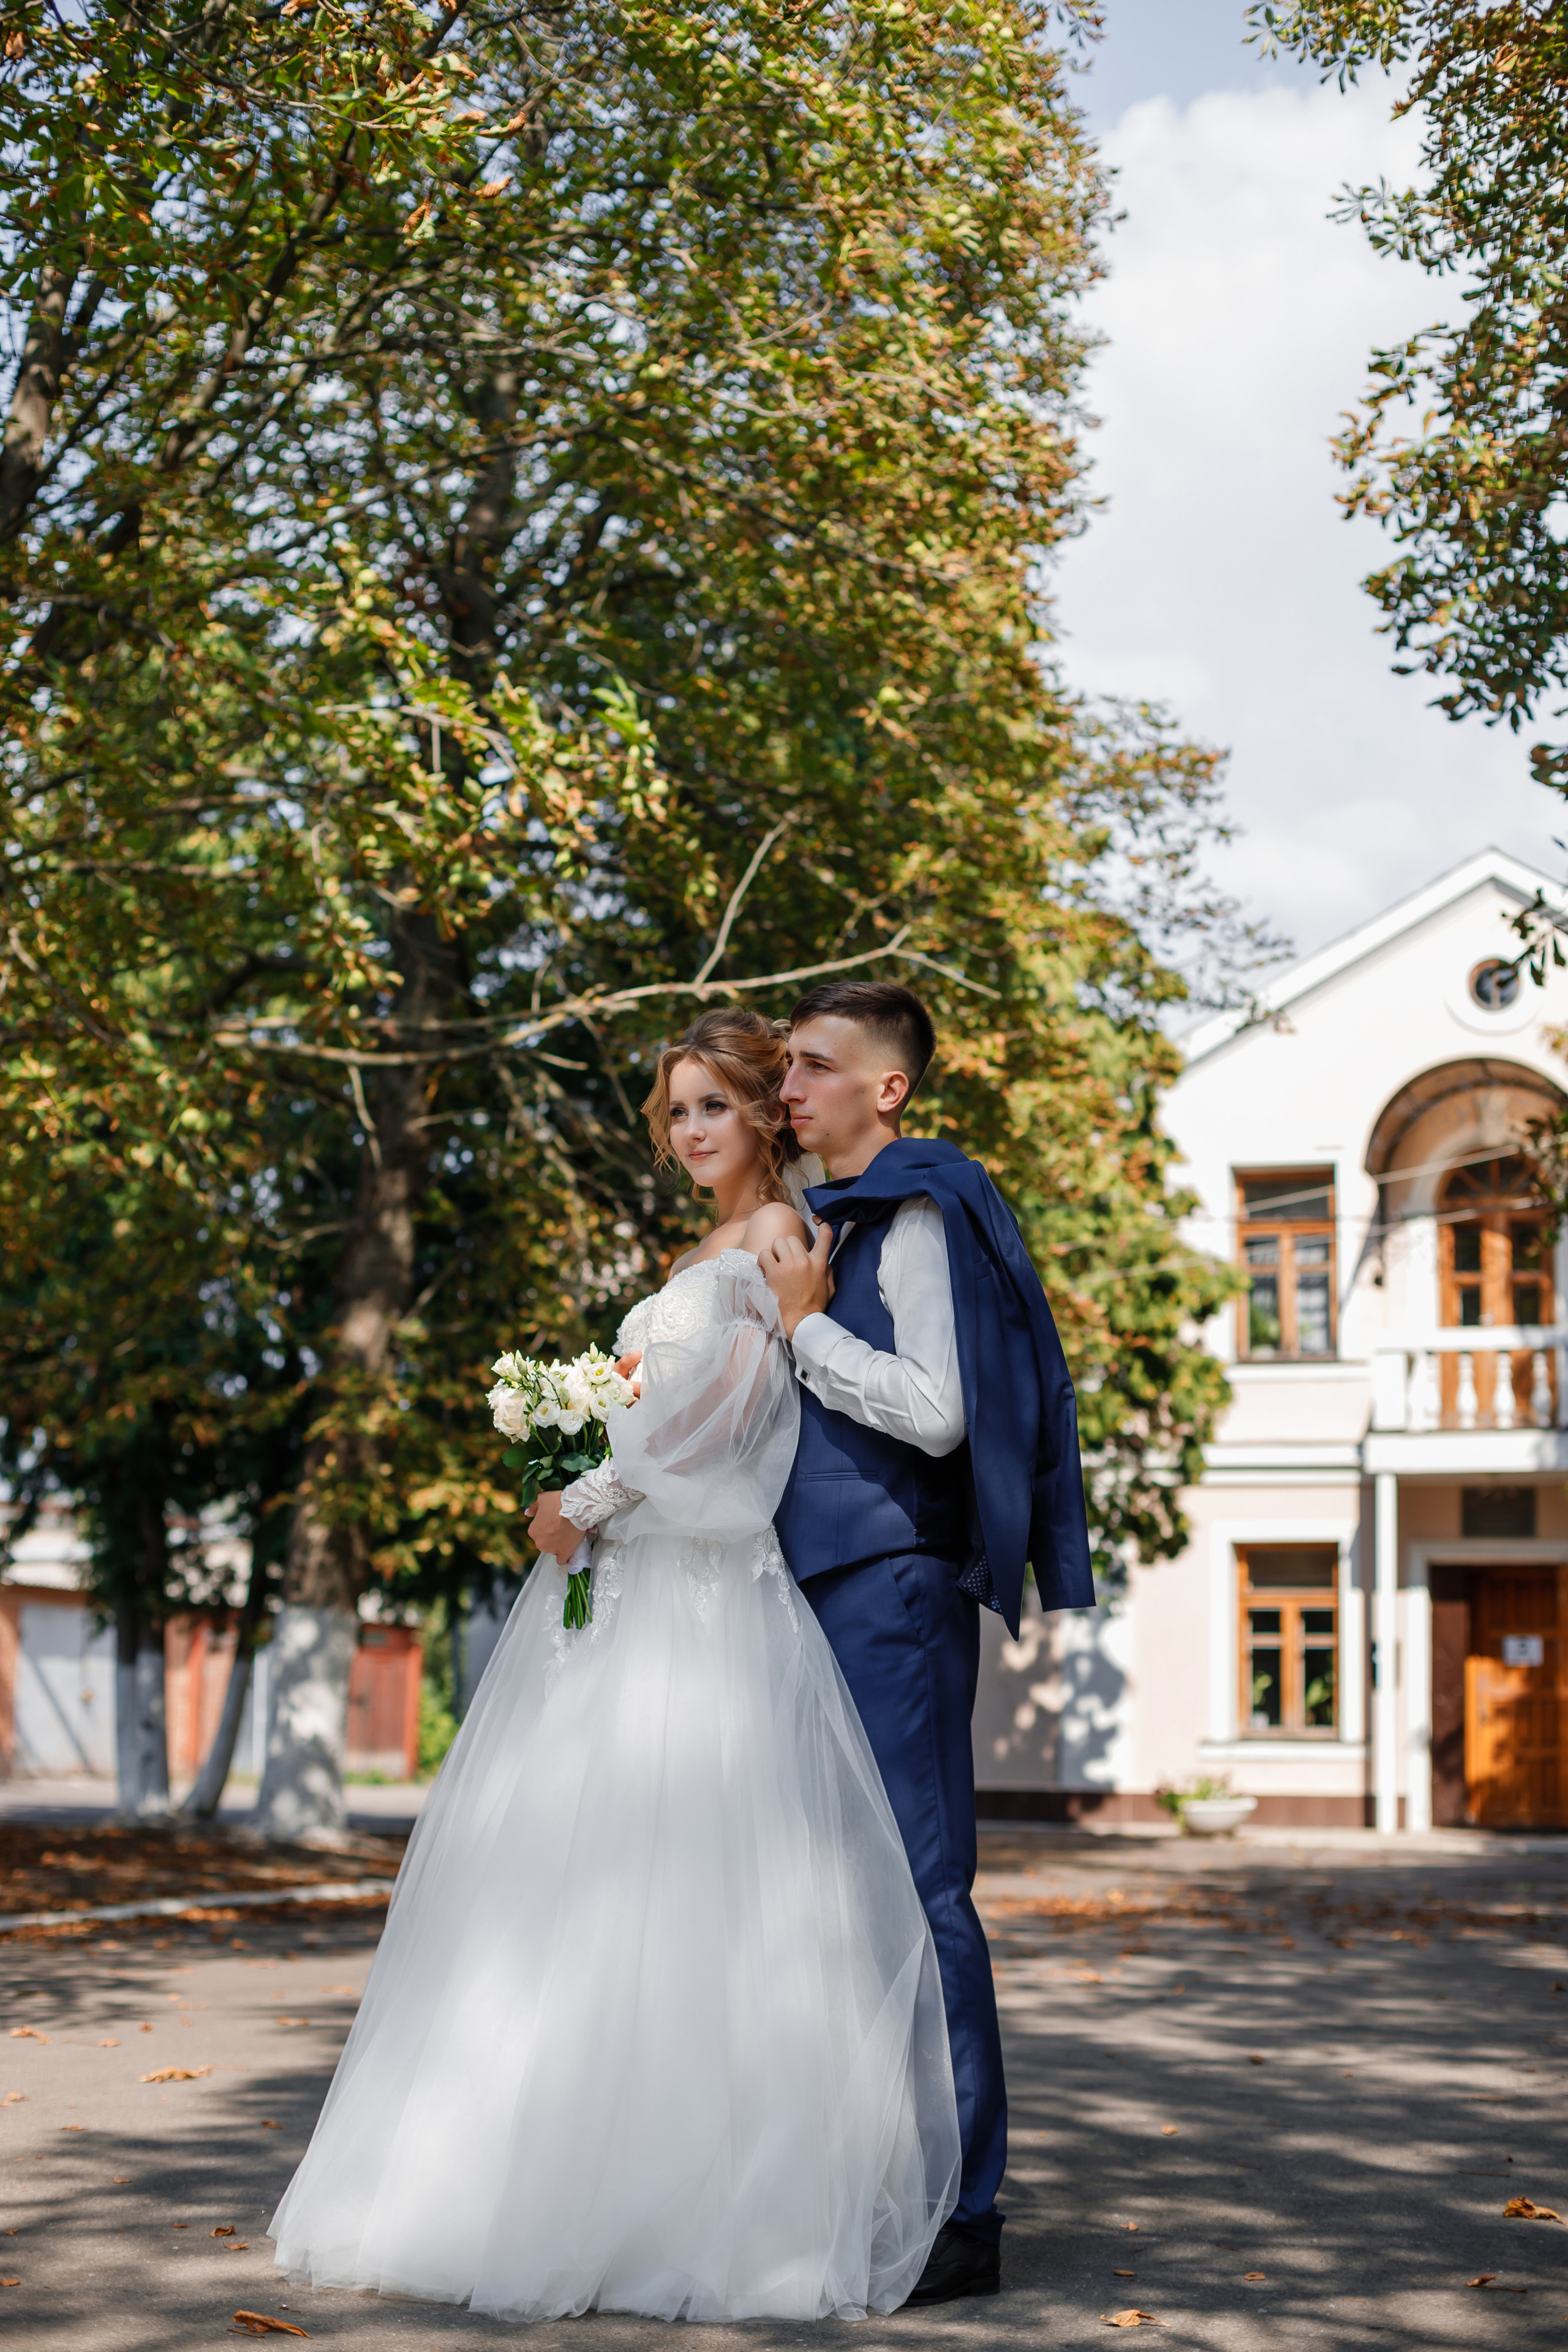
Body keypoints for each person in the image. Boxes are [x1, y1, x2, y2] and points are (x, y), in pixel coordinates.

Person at [268, 1007, 960, 2324]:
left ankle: (694, 2207)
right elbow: (662, 1404)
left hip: (698, 1594)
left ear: (763, 1112)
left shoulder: (775, 1235)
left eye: (714, 1105)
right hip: (630, 1583)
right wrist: (583, 1461)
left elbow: (736, 1411)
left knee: (687, 1878)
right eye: (676, 1111)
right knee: (571, 1880)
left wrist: (584, 1494)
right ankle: (541, 2176)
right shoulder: (696, 1251)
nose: (691, 1130)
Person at [757, 979, 1094, 2305]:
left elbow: (940, 1412)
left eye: (814, 1065)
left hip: (892, 1584)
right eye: (786, 1065)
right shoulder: (823, 1217)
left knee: (920, 1888)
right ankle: (872, 2178)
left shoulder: (913, 1214)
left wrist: (804, 1331)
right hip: (808, 1581)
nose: (789, 1087)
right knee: (837, 1898)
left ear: (886, 1088)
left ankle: (967, 2215)